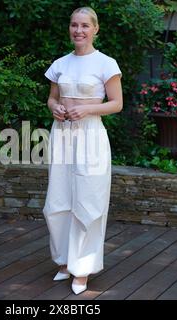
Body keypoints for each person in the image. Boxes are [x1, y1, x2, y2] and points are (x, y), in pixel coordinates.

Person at [42, 7, 123, 295]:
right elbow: (51, 99)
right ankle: (65, 261)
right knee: (59, 199)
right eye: (74, 25)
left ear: (95, 29)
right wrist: (57, 109)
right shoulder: (60, 64)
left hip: (91, 136)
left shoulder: (106, 64)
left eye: (85, 25)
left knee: (88, 200)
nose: (79, 30)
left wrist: (86, 109)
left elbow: (116, 104)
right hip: (62, 135)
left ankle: (83, 268)